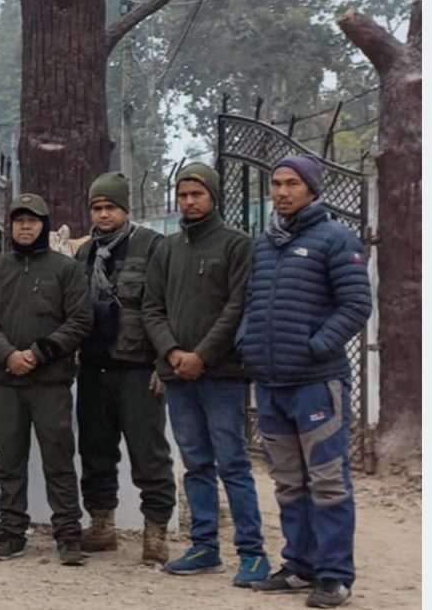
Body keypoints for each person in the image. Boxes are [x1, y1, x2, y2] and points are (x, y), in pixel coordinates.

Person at [238, 154, 372, 609]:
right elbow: (252, 302)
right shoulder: (265, 244)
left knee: (328, 480)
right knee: (289, 482)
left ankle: (335, 576)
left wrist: (316, 346)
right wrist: (246, 342)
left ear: (312, 189)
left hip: (317, 382)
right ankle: (299, 566)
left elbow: (356, 305)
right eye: (276, 183)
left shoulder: (336, 238)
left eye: (292, 183)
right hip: (271, 383)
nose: (282, 192)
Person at [143, 163, 269, 587]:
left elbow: (237, 306)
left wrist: (202, 355)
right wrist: (173, 352)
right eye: (183, 195)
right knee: (195, 463)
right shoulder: (167, 249)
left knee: (233, 463)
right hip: (178, 375)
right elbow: (151, 307)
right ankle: (204, 547)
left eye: (196, 194)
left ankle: (252, 552)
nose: (189, 202)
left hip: (222, 374)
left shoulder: (237, 245)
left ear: (213, 196)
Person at [0, 193, 92, 566]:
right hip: (4, 380)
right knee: (9, 462)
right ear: (10, 227)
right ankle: (12, 533)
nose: (25, 226)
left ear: (44, 225)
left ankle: (68, 536)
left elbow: (80, 320)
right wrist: (7, 353)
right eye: (19, 220)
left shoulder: (65, 269)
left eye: (33, 220)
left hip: (50, 381)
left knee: (59, 460)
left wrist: (39, 353)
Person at [73, 172, 173, 564]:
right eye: (97, 208)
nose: (103, 215)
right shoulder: (85, 253)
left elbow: (166, 307)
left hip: (138, 369)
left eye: (110, 207)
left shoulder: (152, 246)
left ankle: (156, 532)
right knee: (95, 452)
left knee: (149, 454)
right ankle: (102, 527)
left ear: (125, 209)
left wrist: (163, 361)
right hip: (94, 368)